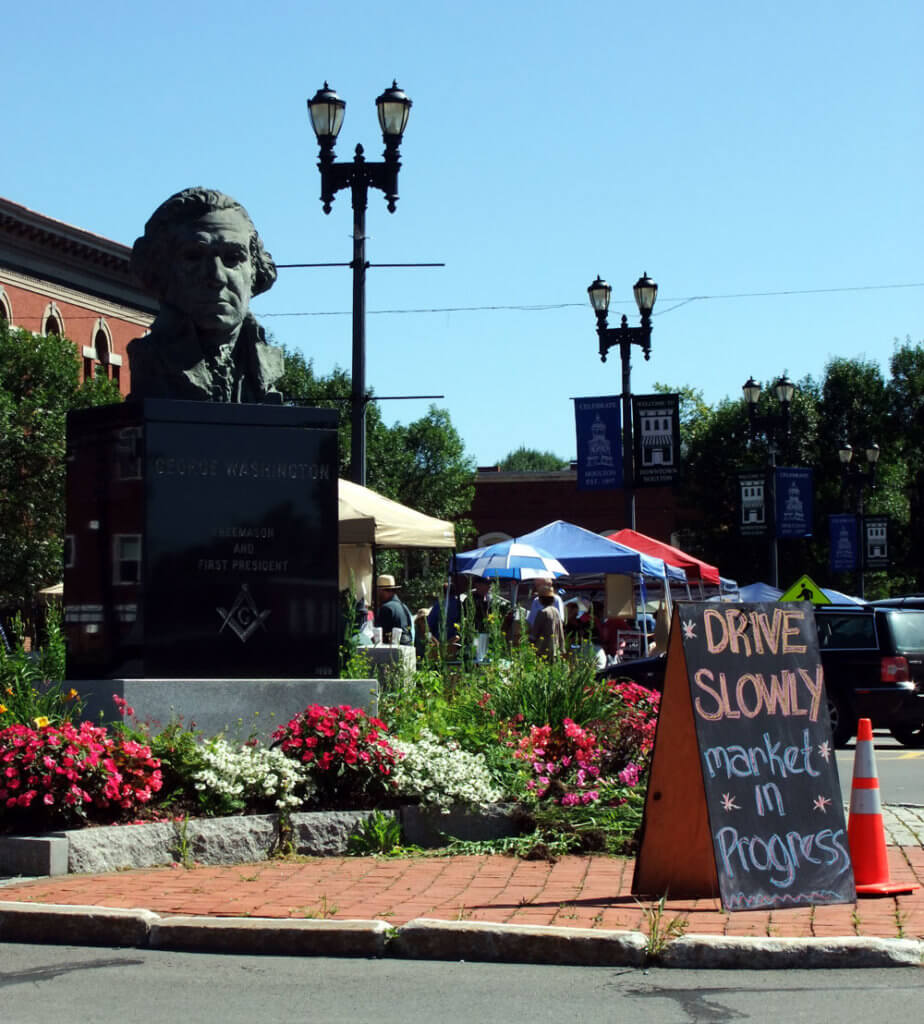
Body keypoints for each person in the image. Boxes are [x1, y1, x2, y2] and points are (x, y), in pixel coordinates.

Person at [127, 187, 284, 403]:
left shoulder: (266, 365)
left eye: (232, 258)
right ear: (161, 270)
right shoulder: (151, 361)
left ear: (255, 270)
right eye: (194, 256)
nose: (217, 276)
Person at [375, 574, 413, 645]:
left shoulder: (386, 608)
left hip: (393, 650)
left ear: (381, 591)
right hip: (408, 646)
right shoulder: (404, 606)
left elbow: (381, 636)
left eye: (378, 591)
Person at [529, 585, 566, 660]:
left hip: (542, 648)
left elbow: (535, 631)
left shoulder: (543, 612)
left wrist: (530, 642)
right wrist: (562, 646)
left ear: (541, 600)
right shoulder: (556, 612)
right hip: (555, 647)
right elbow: (561, 630)